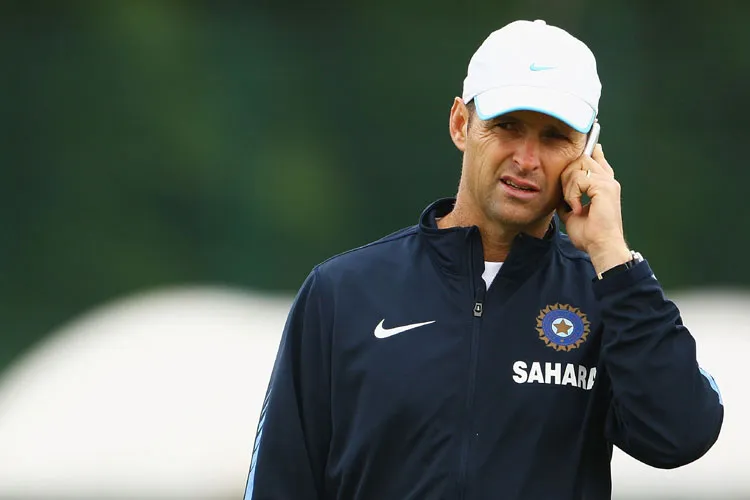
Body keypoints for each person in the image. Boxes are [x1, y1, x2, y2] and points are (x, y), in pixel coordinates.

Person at [243, 19, 723, 500]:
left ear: (587, 152)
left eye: (554, 136)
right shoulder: (342, 291)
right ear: (461, 124)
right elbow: (280, 480)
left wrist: (612, 254)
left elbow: (680, 434)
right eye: (507, 126)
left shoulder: (608, 296)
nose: (527, 159)